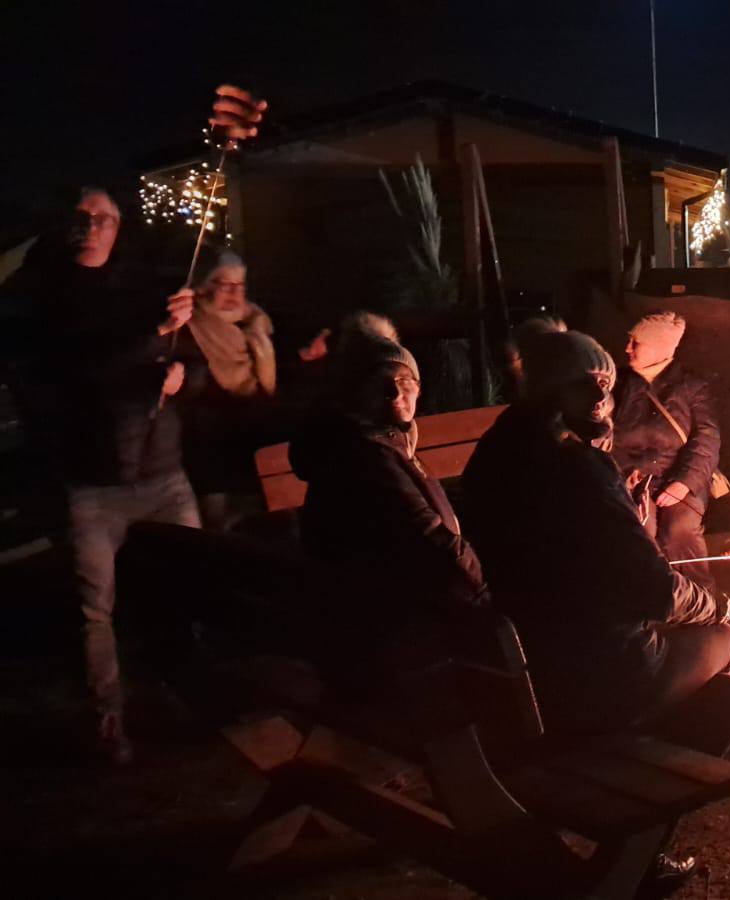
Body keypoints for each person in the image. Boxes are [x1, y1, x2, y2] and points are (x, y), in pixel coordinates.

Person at [461, 328, 730, 893]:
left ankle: (634, 836)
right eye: (585, 383)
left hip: (521, 660)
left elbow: (577, 555)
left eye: (606, 383)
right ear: (549, 386)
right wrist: (715, 604)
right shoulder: (576, 466)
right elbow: (652, 591)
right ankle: (633, 843)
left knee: (723, 690)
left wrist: (626, 516)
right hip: (587, 670)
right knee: (723, 643)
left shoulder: (498, 450)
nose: (599, 397)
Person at [0, 187, 199, 764]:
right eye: (82, 218)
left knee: (189, 586)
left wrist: (182, 373)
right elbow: (80, 375)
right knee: (95, 609)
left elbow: (190, 363)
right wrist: (153, 337)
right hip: (92, 481)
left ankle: (189, 697)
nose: (91, 227)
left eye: (103, 219)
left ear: (118, 228)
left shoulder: (142, 288)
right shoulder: (44, 295)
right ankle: (109, 719)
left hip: (161, 471)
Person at [287, 316, 489, 684]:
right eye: (381, 383)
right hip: (387, 623)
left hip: (395, 608)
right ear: (358, 393)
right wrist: (485, 595)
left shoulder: (388, 441)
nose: (396, 394)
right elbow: (428, 536)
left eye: (405, 382)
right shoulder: (366, 454)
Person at [610, 311, 723, 587]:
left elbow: (707, 439)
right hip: (629, 478)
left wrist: (684, 483)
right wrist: (617, 475)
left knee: (680, 531)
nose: (627, 348)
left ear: (659, 347)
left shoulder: (691, 386)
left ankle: (699, 599)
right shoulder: (618, 384)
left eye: (636, 343)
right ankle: (646, 600)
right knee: (639, 530)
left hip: (678, 477)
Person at [177, 249, 278, 531]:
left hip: (258, 445)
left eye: (240, 285)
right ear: (203, 287)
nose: (235, 293)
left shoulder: (256, 323)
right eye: (225, 284)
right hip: (212, 452)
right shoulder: (187, 327)